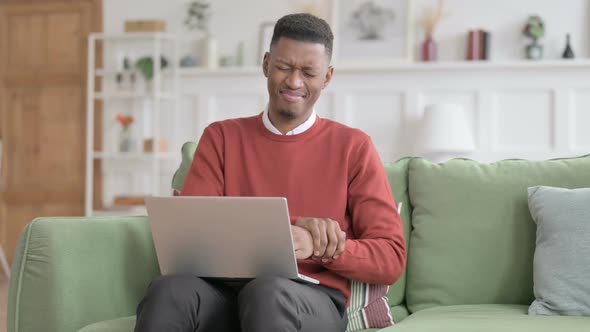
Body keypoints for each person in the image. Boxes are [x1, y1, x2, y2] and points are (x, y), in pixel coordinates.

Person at [135, 13, 406, 332]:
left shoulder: (354, 146)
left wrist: (320, 246)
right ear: (266, 64)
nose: (294, 81)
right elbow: (190, 241)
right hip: (224, 294)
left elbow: (390, 258)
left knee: (267, 292)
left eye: (308, 72)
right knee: (168, 291)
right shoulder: (221, 137)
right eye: (284, 67)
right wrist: (283, 232)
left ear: (327, 77)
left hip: (310, 299)